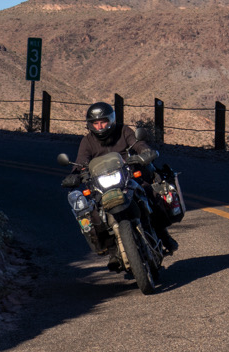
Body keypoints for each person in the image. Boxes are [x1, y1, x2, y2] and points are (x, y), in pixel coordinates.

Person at [73, 101, 179, 263]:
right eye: (95, 123)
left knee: (149, 192)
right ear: (90, 124)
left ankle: (163, 233)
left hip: (127, 176)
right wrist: (74, 174)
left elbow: (139, 144)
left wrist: (145, 152)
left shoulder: (123, 131)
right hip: (101, 185)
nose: (100, 127)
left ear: (111, 120)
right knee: (93, 212)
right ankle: (112, 250)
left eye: (103, 122)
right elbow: (81, 161)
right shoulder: (87, 141)